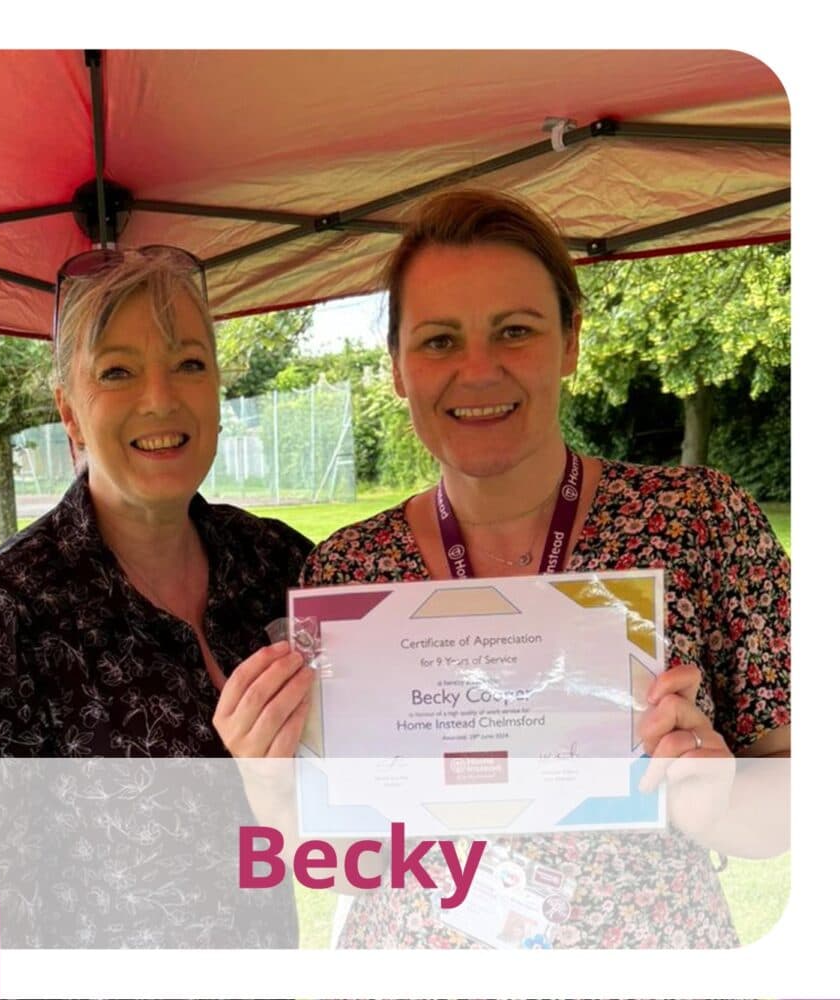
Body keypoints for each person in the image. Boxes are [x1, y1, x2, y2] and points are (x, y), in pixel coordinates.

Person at [298, 189, 790, 948]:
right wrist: (271, 779)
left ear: (570, 342)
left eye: (515, 331)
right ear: (397, 368)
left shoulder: (702, 523)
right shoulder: (348, 576)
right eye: (437, 341)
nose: (479, 369)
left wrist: (716, 799)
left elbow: (793, 799)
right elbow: (328, 846)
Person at [0, 246, 313, 946]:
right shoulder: (4, 611)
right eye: (118, 372)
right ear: (70, 411)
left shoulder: (278, 565)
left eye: (190, 363)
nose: (160, 399)